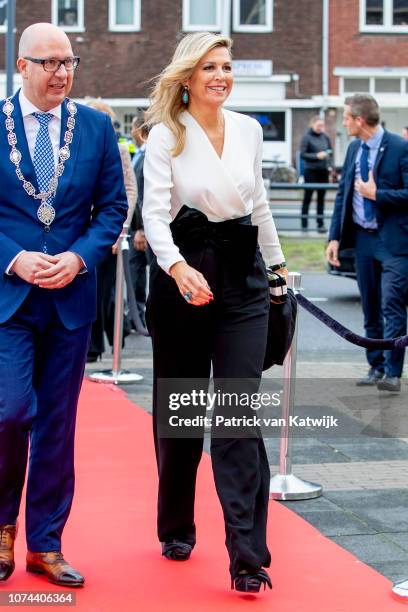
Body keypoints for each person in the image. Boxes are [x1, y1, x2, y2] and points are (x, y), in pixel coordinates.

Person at [143, 32, 287, 593]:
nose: (221, 76)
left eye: (226, 67)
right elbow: (154, 217)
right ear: (186, 77)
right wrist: (178, 269)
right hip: (185, 275)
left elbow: (260, 206)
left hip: (243, 279)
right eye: (210, 68)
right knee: (180, 414)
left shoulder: (249, 129)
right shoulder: (165, 135)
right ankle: (177, 524)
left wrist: (277, 273)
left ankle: (248, 554)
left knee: (236, 413)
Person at [0, 23, 127, 586]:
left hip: (71, 300)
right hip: (9, 299)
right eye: (49, 63)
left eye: (69, 61)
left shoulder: (97, 127)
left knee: (58, 423)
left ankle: (45, 543)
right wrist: (13, 258)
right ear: (21, 67)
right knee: (9, 413)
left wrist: (78, 259)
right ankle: (2, 527)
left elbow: (112, 209)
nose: (62, 73)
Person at [326, 94, 408, 393]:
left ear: (360, 120)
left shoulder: (400, 148)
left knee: (392, 305)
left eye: (346, 117)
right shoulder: (352, 149)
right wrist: (334, 237)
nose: (344, 121)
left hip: (394, 243)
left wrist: (378, 195)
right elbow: (343, 193)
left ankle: (392, 373)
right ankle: (375, 366)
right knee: (370, 306)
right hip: (362, 239)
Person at [86, 101, 137, 361]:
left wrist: (120, 229)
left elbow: (129, 189)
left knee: (102, 291)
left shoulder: (119, 150)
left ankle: (96, 346)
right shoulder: (76, 146)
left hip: (108, 232)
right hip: (79, 231)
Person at [129, 115, 150, 325]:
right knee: (136, 273)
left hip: (142, 228)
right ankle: (137, 314)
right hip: (136, 226)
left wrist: (142, 229)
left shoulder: (148, 157)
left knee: (140, 271)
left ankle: (139, 315)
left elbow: (143, 194)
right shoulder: (139, 155)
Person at [300, 115, 333, 232]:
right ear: (312, 125)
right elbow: (302, 154)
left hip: (323, 171)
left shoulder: (326, 137)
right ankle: (304, 224)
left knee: (321, 199)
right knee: (307, 198)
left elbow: (330, 152)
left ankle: (320, 224)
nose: (320, 128)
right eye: (318, 125)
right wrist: (316, 156)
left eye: (322, 126)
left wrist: (329, 165)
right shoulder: (306, 137)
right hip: (311, 171)